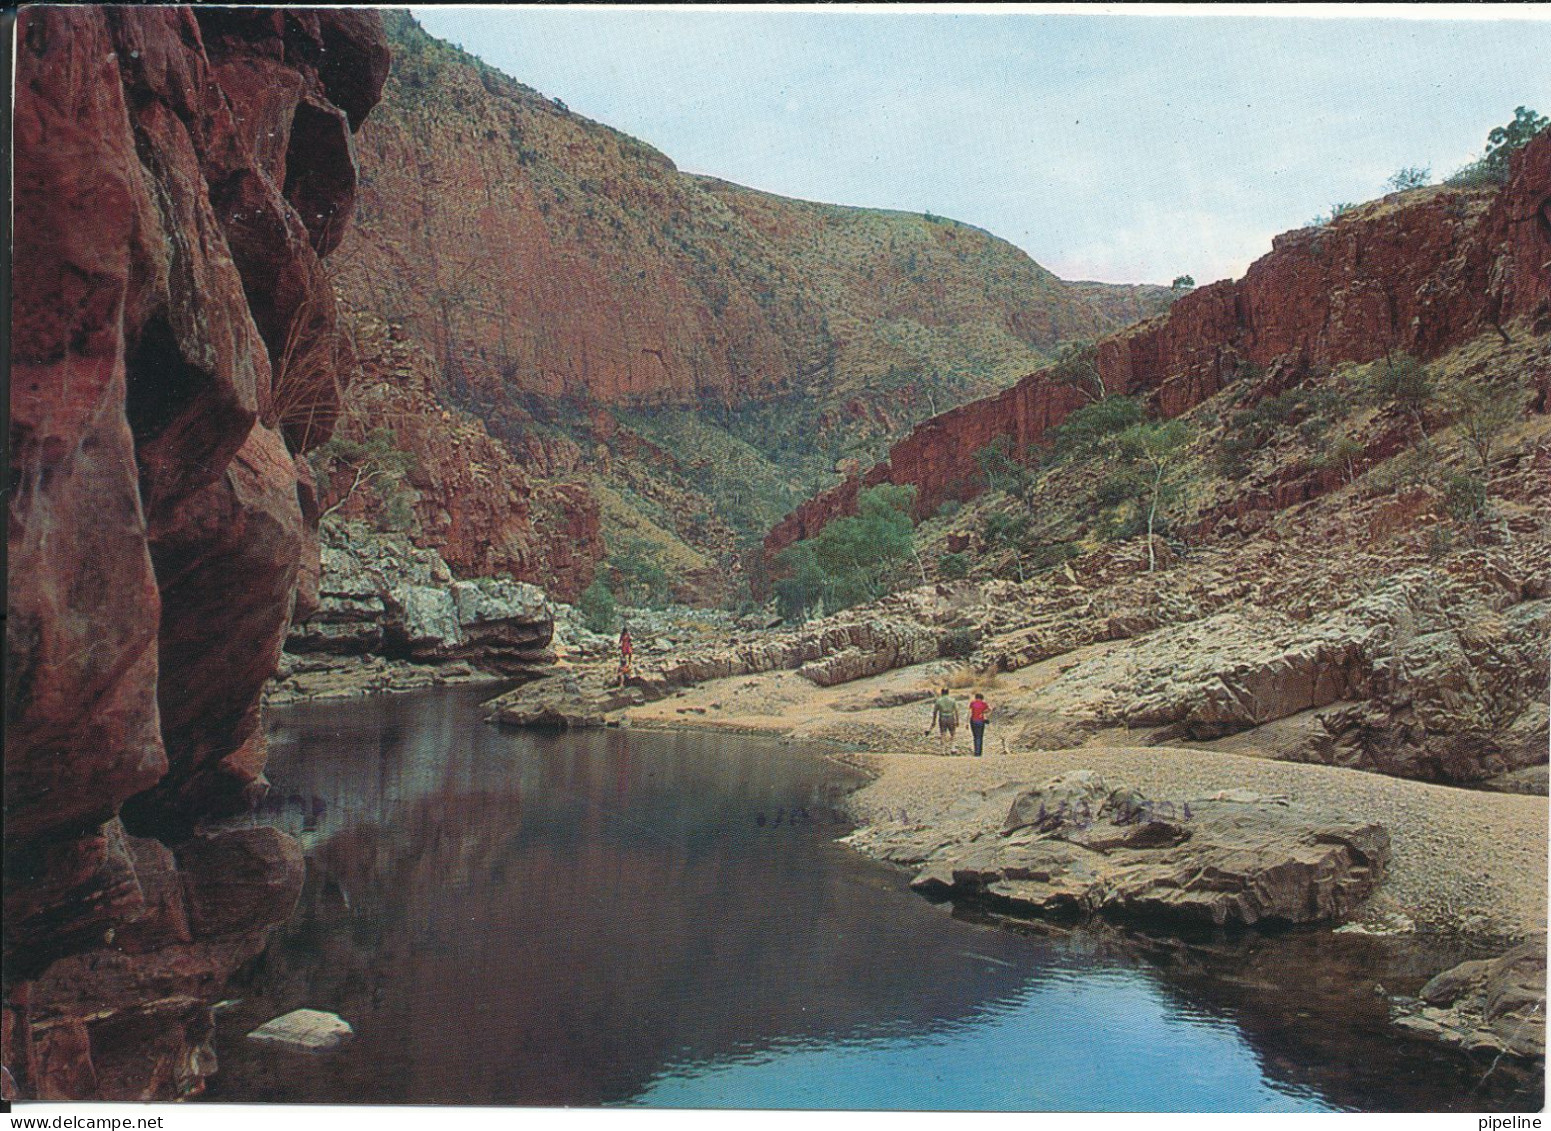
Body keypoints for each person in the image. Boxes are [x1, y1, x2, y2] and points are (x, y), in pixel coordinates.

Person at [926, 687, 959, 755]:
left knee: (943, 734)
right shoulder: (952, 700)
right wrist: (957, 720)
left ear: (942, 693)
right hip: (951, 717)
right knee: (952, 733)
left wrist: (934, 721)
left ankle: (943, 750)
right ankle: (952, 748)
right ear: (948, 692)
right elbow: (956, 711)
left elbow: (935, 712)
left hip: (942, 717)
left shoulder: (939, 700)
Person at [968, 691, 991, 757]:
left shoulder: (972, 703)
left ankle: (976, 752)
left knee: (975, 736)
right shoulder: (984, 704)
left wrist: (966, 723)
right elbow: (990, 709)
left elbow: (969, 713)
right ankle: (979, 752)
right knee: (980, 736)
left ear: (976, 698)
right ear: (982, 698)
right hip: (981, 721)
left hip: (973, 721)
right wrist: (983, 712)